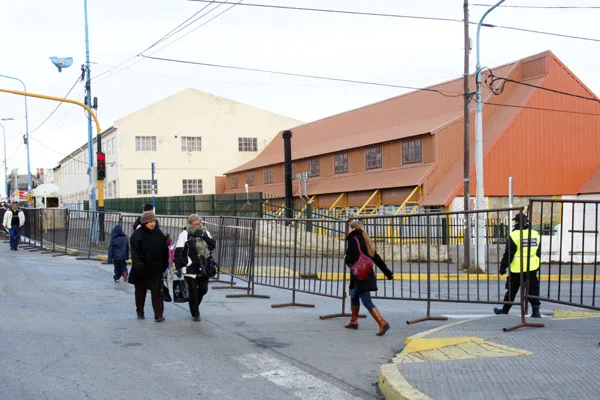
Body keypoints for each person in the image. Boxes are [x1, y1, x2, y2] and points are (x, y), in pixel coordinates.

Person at [344, 220, 394, 336]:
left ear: (352, 229)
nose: (347, 230)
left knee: (366, 301)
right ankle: (354, 321)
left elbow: (352, 259)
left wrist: (346, 257)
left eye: (349, 228)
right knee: (354, 296)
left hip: (361, 277)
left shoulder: (353, 240)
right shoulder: (365, 240)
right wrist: (387, 272)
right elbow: (376, 257)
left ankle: (382, 322)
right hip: (366, 274)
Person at [494, 212, 542, 318]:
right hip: (532, 267)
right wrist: (537, 264)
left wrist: (503, 267)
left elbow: (508, 254)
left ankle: (505, 309)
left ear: (518, 222)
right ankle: (536, 311)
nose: (514, 223)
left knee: (512, 289)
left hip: (517, 268)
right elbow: (538, 252)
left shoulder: (514, 235)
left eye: (515, 221)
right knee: (532, 289)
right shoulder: (534, 234)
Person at [128, 211, 169, 322]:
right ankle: (140, 311)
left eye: (154, 221)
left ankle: (158, 315)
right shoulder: (138, 234)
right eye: (150, 221)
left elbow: (164, 251)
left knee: (157, 292)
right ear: (145, 222)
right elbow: (135, 252)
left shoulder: (159, 234)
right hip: (142, 269)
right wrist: (140, 265)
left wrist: (164, 265)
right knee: (140, 292)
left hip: (156, 269)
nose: (152, 224)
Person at [174, 214, 216, 322]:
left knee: (203, 289)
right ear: (190, 224)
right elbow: (178, 251)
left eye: (199, 224)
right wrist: (178, 267)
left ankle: (194, 304)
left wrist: (203, 236)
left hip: (203, 266)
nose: (197, 226)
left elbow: (212, 246)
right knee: (193, 290)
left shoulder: (205, 232)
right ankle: (195, 313)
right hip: (190, 266)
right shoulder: (184, 234)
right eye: (195, 224)